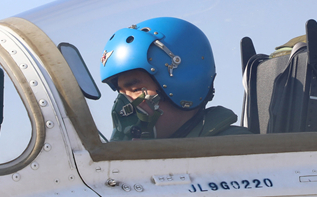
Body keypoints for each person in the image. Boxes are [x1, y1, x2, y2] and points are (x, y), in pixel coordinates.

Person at [99, 17, 250, 140]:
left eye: (136, 90)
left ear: (183, 85)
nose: (123, 108)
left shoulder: (237, 152)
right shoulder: (148, 160)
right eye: (121, 94)